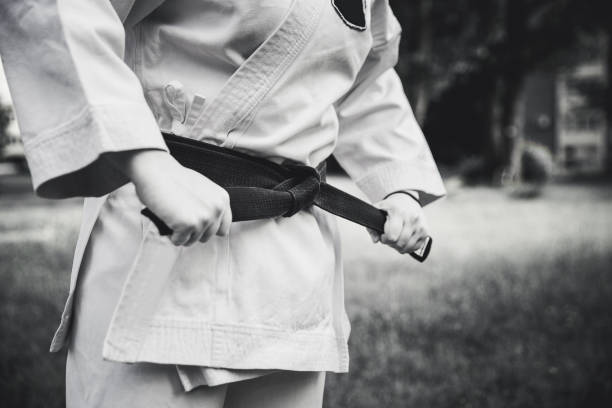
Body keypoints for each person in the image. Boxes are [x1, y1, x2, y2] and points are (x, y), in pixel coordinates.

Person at [0, 0, 446, 406]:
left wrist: (396, 184)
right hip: (166, 239)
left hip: (292, 274)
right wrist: (149, 162)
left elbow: (367, 73)